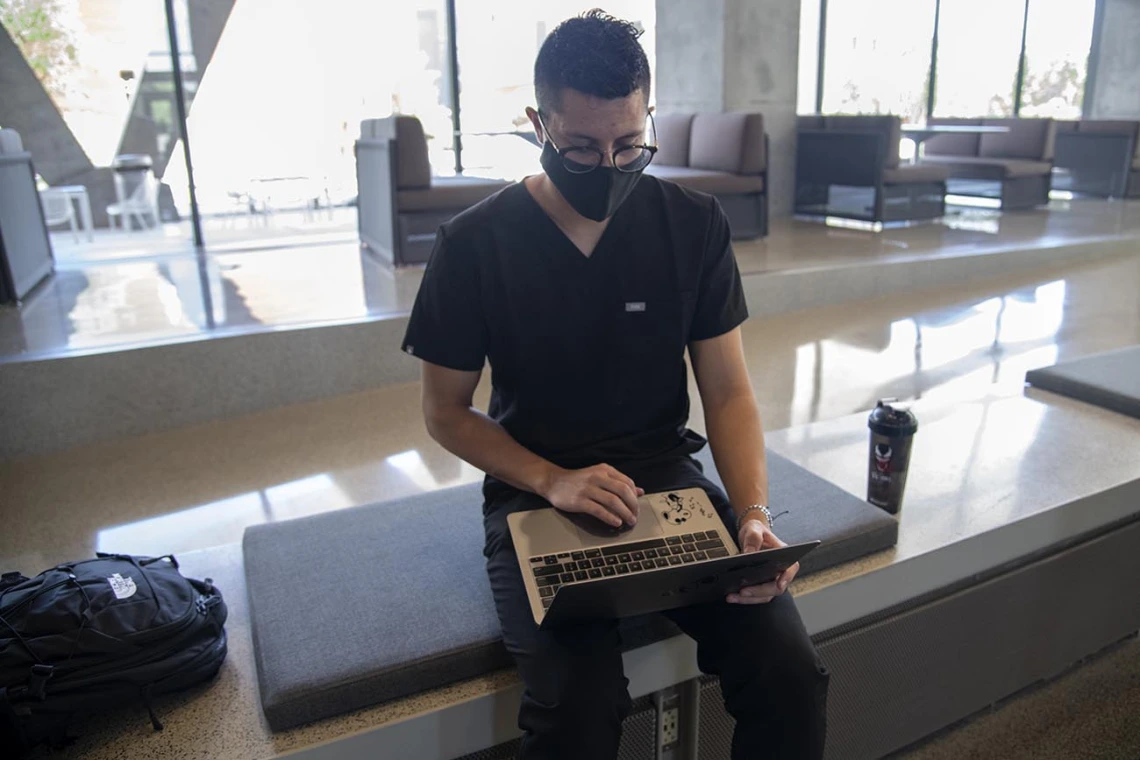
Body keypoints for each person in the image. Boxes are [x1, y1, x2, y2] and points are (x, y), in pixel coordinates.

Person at [401, 10, 829, 759]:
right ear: (539, 123)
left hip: (665, 478)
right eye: (581, 147)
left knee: (789, 672)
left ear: (649, 115)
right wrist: (553, 480)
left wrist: (754, 516)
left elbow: (727, 391)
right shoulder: (474, 244)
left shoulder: (692, 224)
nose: (608, 164)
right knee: (577, 711)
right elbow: (445, 412)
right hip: (534, 491)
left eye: (630, 144)